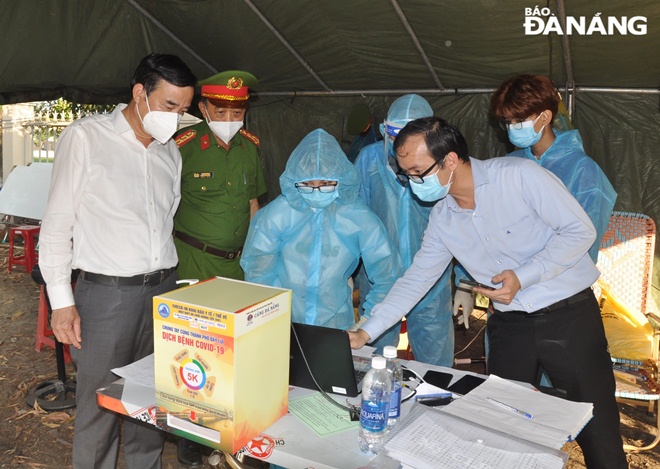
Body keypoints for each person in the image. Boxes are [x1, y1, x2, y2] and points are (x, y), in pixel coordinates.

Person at [349, 117, 628, 469]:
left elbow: (579, 231)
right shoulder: (444, 217)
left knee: (597, 429)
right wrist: (366, 331)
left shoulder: (519, 176)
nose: (412, 183)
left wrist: (524, 277)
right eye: (406, 174)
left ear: (450, 160)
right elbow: (417, 278)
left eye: (418, 172)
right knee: (504, 430)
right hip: (510, 329)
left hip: (568, 320)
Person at [39, 54, 196, 469]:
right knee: (101, 406)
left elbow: (165, 221)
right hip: (107, 296)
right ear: (139, 93)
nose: (177, 117)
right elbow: (56, 224)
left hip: (163, 290)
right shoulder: (87, 138)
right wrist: (61, 302)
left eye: (183, 110)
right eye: (169, 106)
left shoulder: (171, 153)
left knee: (152, 403)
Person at [240, 128, 403, 344]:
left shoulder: (358, 217)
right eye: (307, 184)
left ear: (341, 179)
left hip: (336, 326)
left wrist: (366, 322)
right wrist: (265, 317)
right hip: (282, 322)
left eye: (326, 183)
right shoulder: (276, 215)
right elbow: (258, 271)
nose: (316, 191)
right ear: (294, 180)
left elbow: (387, 273)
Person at [354, 94, 454, 366]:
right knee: (374, 363)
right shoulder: (368, 161)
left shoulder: (443, 165)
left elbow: (462, 226)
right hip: (379, 279)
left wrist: (467, 284)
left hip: (431, 281)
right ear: (384, 130)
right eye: (397, 134)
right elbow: (354, 221)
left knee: (435, 370)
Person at [491, 74, 616, 263]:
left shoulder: (582, 169)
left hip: (565, 278)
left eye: (519, 121)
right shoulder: (509, 164)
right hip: (516, 276)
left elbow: (585, 238)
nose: (512, 128)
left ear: (546, 116)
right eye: (507, 122)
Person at [173, 70, 267, 282]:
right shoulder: (183, 147)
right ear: (202, 108)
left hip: (238, 264)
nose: (229, 120)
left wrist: (255, 253)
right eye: (220, 112)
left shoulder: (249, 147)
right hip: (195, 262)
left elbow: (253, 204)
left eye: (237, 113)